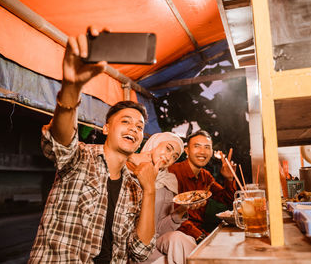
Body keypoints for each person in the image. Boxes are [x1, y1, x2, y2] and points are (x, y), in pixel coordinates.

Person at [28, 27, 159, 263]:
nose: (134, 129)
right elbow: (59, 143)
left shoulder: (136, 185)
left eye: (139, 127)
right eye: (126, 122)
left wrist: (150, 190)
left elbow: (140, 252)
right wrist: (71, 87)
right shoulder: (80, 158)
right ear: (106, 128)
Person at [127, 132, 197, 264]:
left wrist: (181, 211)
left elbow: (159, 229)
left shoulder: (168, 181)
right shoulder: (127, 169)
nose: (169, 156)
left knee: (179, 239)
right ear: (154, 143)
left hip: (153, 243)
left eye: (175, 156)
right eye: (168, 148)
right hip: (129, 248)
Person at [168, 130, 237, 244]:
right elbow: (172, 216)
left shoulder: (205, 176)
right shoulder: (173, 172)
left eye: (207, 147)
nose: (202, 152)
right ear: (187, 150)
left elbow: (227, 200)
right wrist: (201, 237)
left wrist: (229, 179)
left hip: (199, 232)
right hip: (177, 234)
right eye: (197, 146)